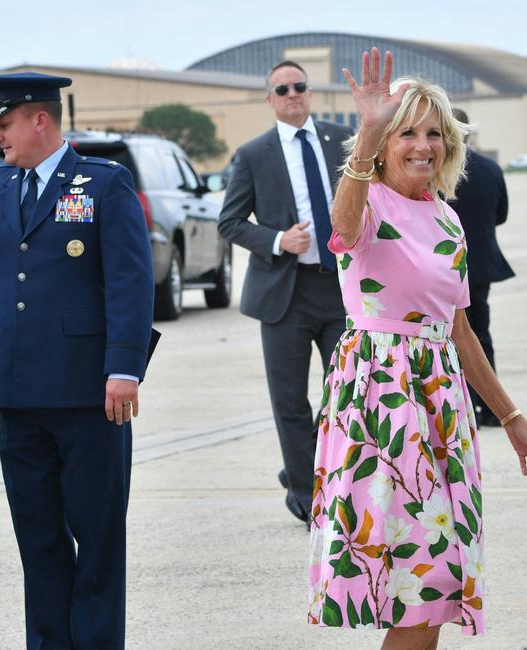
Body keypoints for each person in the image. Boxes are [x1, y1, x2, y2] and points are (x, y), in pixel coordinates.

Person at [308, 48, 527, 648]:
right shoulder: (368, 202)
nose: (422, 144)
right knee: (419, 586)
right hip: (382, 402)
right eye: (407, 132)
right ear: (383, 142)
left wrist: (510, 417)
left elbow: (460, 330)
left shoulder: (448, 219)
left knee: (435, 585)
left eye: (434, 132)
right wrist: (366, 135)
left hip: (440, 403)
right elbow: (341, 232)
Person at [0, 72, 154, 649]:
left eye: (4, 125)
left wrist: (124, 369)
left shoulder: (103, 183)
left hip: (91, 396)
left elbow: (130, 283)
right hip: (21, 394)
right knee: (38, 541)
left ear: (40, 120)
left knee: (98, 540)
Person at [218, 60, 352, 524]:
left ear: (309, 93)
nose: (292, 94)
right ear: (270, 99)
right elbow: (229, 222)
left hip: (341, 290)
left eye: (299, 86)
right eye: (282, 89)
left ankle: (319, 471)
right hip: (285, 295)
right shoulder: (254, 154)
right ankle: (306, 495)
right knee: (290, 401)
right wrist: (278, 240)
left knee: (345, 395)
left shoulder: (342, 140)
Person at [449, 108, 515, 427]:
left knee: (450, 337)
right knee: (480, 334)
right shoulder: (490, 168)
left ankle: (461, 403)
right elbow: (501, 214)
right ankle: (489, 408)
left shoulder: (438, 171)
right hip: (481, 264)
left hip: (446, 266)